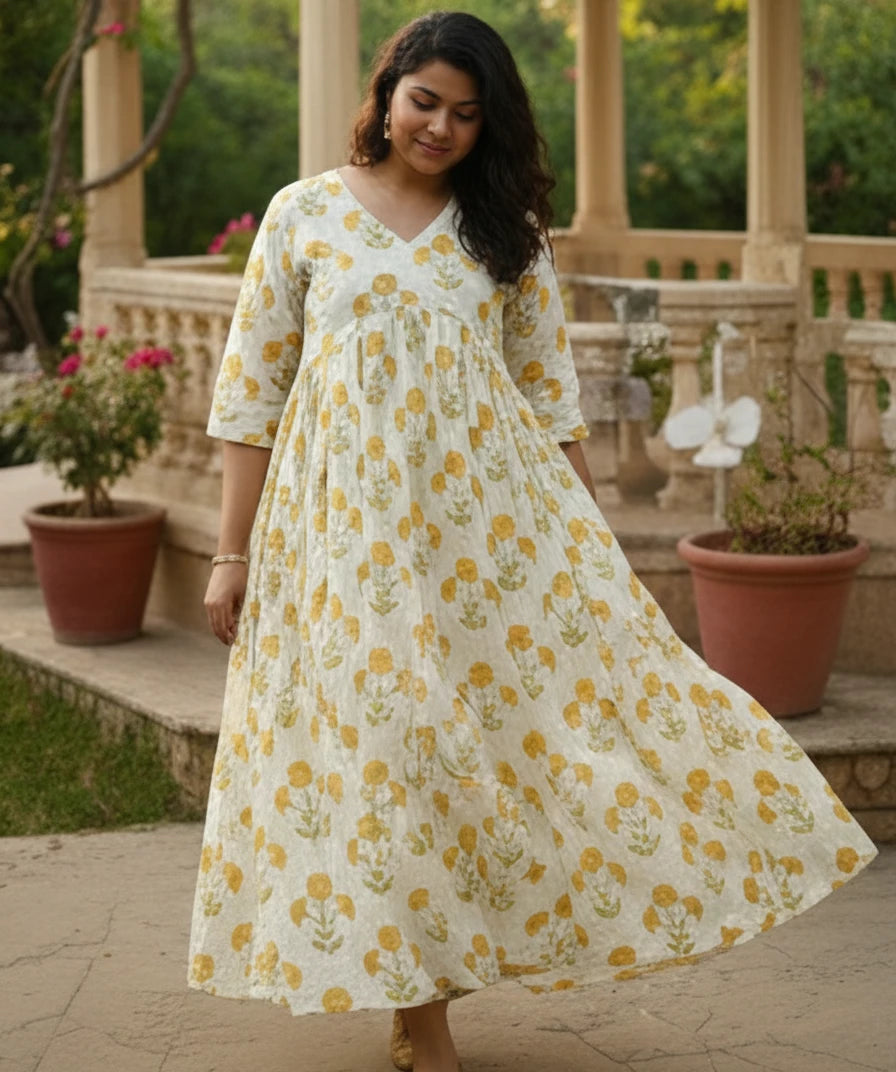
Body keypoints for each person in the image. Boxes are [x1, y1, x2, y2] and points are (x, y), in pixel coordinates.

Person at [189, 12, 876, 1072]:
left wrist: (585, 551)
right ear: (387, 91)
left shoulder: (499, 233)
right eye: (425, 102)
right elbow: (249, 398)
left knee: (480, 757)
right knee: (383, 747)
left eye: (467, 115)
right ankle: (421, 1018)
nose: (440, 128)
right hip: (341, 540)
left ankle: (425, 976)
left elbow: (550, 402)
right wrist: (230, 555)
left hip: (477, 541)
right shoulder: (304, 215)